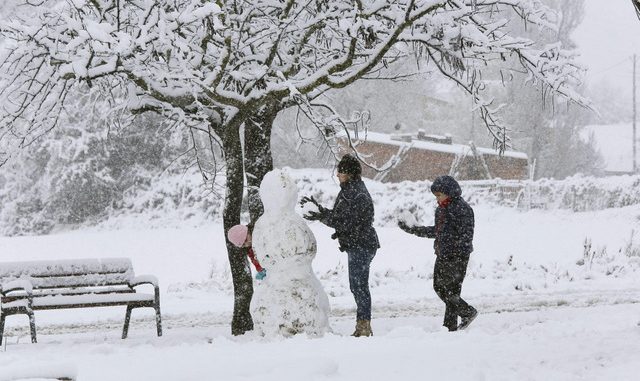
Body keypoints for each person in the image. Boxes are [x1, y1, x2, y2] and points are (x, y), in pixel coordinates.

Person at [301, 154, 380, 337]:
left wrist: (321, 215)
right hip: (358, 244)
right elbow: (340, 217)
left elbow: (345, 222)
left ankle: (364, 327)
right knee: (357, 285)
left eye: (340, 172)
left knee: (359, 286)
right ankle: (363, 325)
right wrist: (320, 210)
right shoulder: (349, 190)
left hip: (362, 244)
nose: (337, 175)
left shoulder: (356, 193)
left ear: (350, 174)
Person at [398, 175, 478, 331]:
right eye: (435, 196)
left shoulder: (463, 209)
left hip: (458, 256)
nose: (437, 199)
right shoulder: (441, 209)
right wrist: (414, 229)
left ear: (449, 193)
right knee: (440, 288)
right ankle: (463, 315)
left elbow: (466, 236)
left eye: (439, 195)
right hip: (442, 254)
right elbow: (437, 231)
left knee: (451, 290)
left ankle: (452, 324)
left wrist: (452, 247)